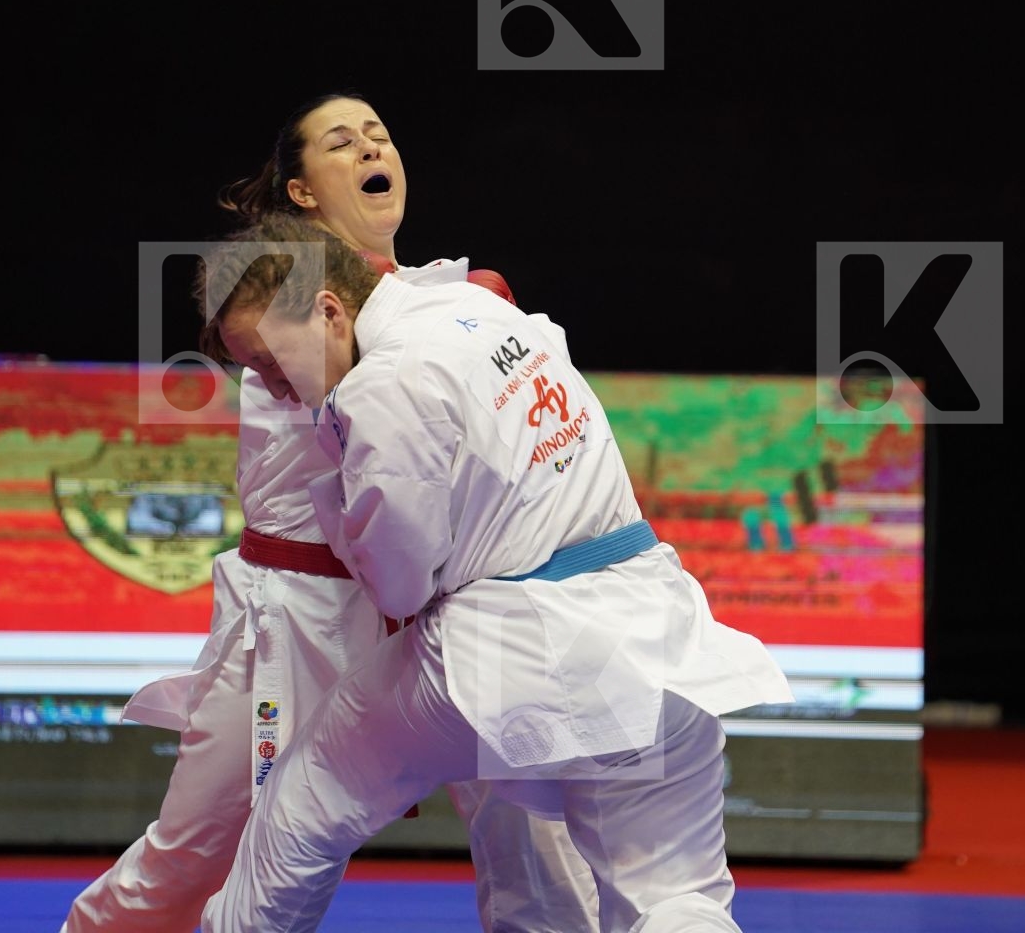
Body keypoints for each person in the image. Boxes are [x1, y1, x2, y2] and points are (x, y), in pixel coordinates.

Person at [61, 94, 599, 933]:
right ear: (302, 191)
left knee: (534, 838)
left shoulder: (450, 300)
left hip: (451, 608)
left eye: (379, 137)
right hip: (299, 619)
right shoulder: (284, 302)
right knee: (196, 852)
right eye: (342, 144)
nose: (370, 149)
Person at [197, 215, 794, 933]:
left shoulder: (381, 385)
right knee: (674, 900)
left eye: (267, 364)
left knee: (306, 793)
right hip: (656, 637)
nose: (274, 390)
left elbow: (401, 585)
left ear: (328, 310)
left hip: (521, 649)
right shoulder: (479, 305)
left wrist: (334, 486)